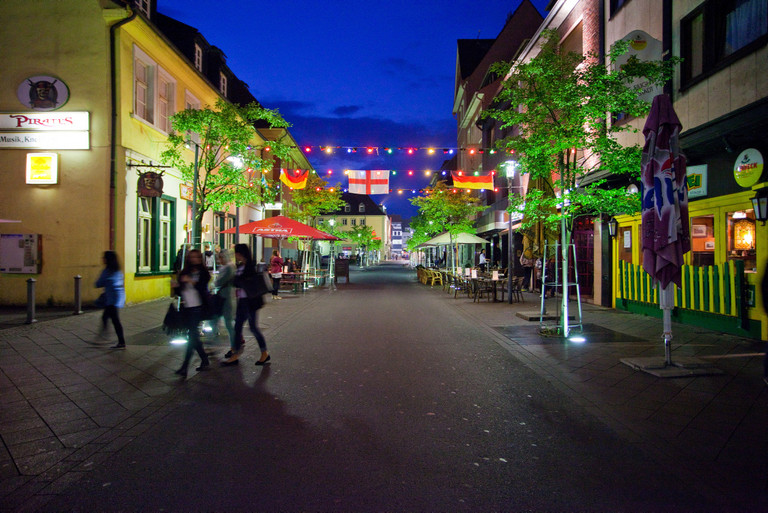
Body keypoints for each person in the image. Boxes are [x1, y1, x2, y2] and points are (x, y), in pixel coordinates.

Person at [173, 249, 211, 377]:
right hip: (187, 307)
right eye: (192, 257)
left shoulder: (203, 273)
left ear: (200, 259)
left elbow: (202, 288)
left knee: (192, 335)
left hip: (197, 308)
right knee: (193, 336)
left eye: (196, 257)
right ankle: (204, 359)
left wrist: (191, 281)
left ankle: (185, 366)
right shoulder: (185, 272)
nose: (194, 259)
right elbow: (180, 292)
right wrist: (176, 286)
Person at [232, 243, 270, 365]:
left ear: (240, 254)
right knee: (241, 327)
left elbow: (241, 282)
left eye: (236, 253)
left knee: (249, 327)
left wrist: (236, 280)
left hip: (249, 301)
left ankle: (262, 353)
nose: (235, 256)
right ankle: (237, 353)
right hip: (244, 300)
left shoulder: (249, 267)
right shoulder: (243, 266)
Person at [96, 251, 126, 349]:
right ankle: (103, 336)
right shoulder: (117, 270)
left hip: (112, 299)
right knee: (106, 317)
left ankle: (120, 342)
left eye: (104, 257)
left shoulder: (107, 271)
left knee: (114, 320)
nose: (102, 259)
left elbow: (99, 283)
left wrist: (99, 283)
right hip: (118, 298)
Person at [212, 250, 236, 363]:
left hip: (226, 299)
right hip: (225, 297)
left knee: (227, 324)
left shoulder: (228, 267)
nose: (219, 260)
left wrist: (215, 281)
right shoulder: (229, 266)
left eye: (221, 258)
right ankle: (232, 347)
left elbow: (218, 282)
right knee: (217, 321)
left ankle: (234, 348)